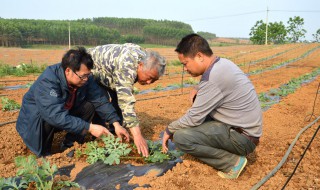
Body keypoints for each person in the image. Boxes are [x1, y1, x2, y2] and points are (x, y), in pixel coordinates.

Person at [162, 34, 262, 179]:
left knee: (181, 137)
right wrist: (198, 88)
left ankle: (232, 163)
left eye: (185, 63)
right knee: (191, 123)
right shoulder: (222, 64)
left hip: (242, 139)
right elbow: (212, 84)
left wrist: (169, 129)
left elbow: (193, 118)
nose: (185, 69)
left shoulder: (213, 78)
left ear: (199, 56)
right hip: (246, 131)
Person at [16, 47, 129, 157]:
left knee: (89, 106)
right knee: (47, 120)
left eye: (88, 75)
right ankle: (44, 153)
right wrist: (90, 127)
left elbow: (99, 99)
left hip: (62, 113)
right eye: (83, 76)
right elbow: (54, 115)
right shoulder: (48, 80)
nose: (86, 79)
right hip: (35, 121)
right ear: (68, 71)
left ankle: (70, 145)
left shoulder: (84, 79)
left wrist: (116, 123)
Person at [88, 43, 166, 157]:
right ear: (140, 65)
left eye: (153, 80)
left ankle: (116, 132)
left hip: (112, 74)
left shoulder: (142, 59)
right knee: (100, 102)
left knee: (118, 105)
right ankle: (98, 139)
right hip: (93, 68)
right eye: (149, 77)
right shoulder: (127, 65)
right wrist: (138, 136)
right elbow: (126, 101)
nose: (149, 82)